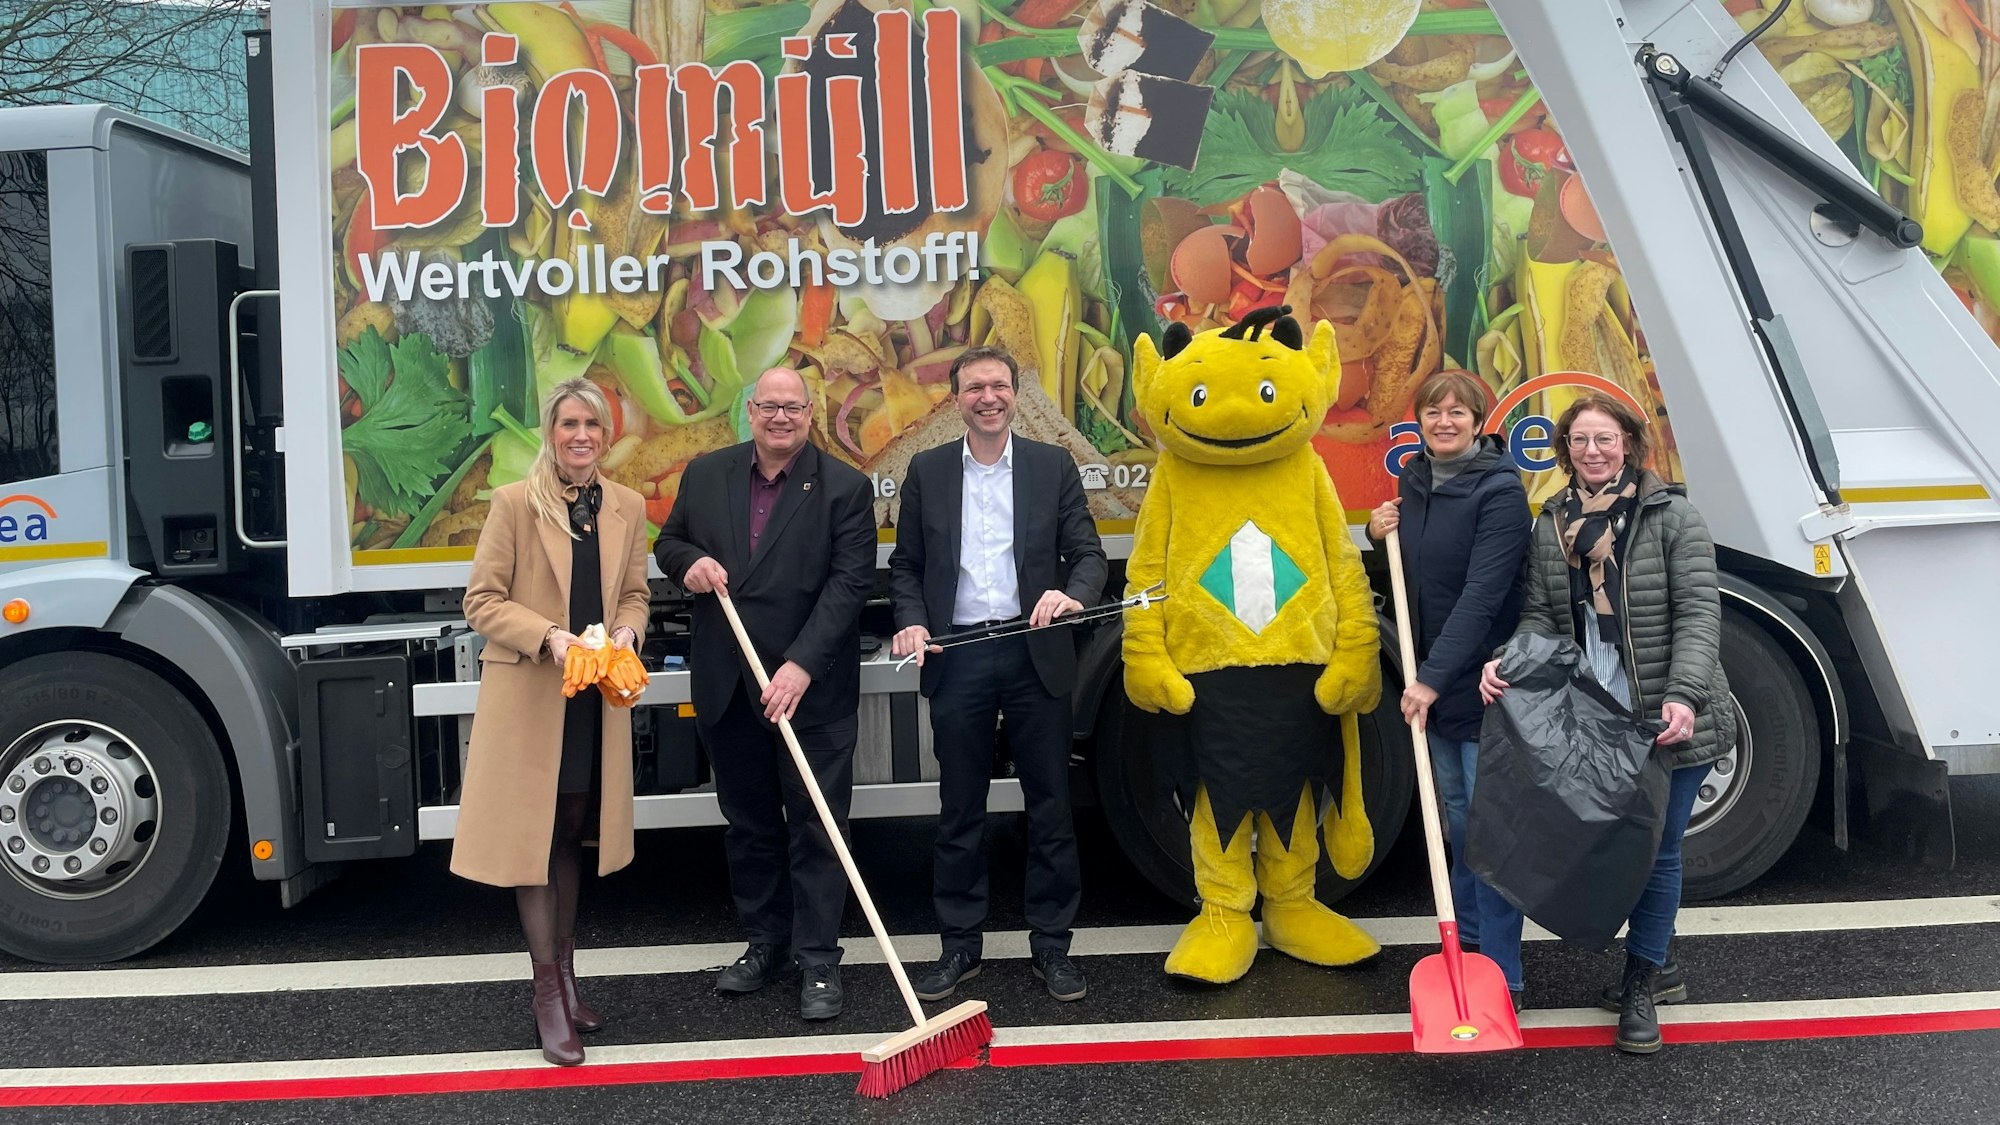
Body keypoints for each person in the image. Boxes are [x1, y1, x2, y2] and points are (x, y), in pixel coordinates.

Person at [1479, 391, 1734, 1055]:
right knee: (1614, 847)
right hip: (1595, 719)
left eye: (1605, 439)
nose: (1593, 452)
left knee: (1658, 850)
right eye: (1580, 441)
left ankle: (1643, 982)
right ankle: (1657, 954)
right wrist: (1507, 658)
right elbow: (1540, 614)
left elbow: (1700, 614)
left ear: (1629, 445)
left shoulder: (1672, 517)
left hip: (1670, 717)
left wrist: (1683, 694)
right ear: (1566, 450)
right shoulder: (1552, 522)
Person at [653, 366, 875, 1022]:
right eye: (769, 406)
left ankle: (818, 959)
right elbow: (668, 543)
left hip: (810, 688)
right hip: (728, 682)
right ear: (750, 410)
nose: (781, 417)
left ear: (812, 413)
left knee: (816, 825)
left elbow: (850, 583)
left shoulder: (845, 487)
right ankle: (766, 943)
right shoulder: (706, 473)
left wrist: (802, 665)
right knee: (749, 825)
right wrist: (687, 563)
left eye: (794, 408)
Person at [888, 345, 1108, 1003]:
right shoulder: (926, 471)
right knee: (959, 808)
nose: (989, 396)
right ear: (956, 399)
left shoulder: (1051, 464)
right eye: (975, 387)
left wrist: (1074, 595)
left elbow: (1090, 555)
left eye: (999, 385)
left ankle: (1053, 947)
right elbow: (904, 565)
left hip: (1034, 651)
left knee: (1050, 806)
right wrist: (912, 618)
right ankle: (960, 946)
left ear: (1016, 393)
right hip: (957, 655)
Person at [452, 378, 652, 1067]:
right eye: (569, 423)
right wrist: (550, 636)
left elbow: (634, 592)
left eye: (592, 424)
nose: (581, 435)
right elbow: (481, 600)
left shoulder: (626, 505)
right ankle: (544, 991)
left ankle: (567, 976)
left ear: (605, 432)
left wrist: (627, 630)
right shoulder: (514, 503)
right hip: (535, 693)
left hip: (595, 695)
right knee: (535, 839)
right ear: (550, 430)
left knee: (570, 829)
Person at [1366, 370, 1531, 1009]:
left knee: (1488, 831)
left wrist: (1431, 681)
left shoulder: (1499, 493)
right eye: (1435, 412)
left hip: (1484, 683)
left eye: (1459, 413)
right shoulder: (1414, 481)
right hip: (1433, 675)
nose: (1445, 422)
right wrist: (1383, 538)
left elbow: (1483, 595)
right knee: (1454, 825)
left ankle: (1504, 971)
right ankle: (1465, 957)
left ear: (1478, 421)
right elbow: (1413, 585)